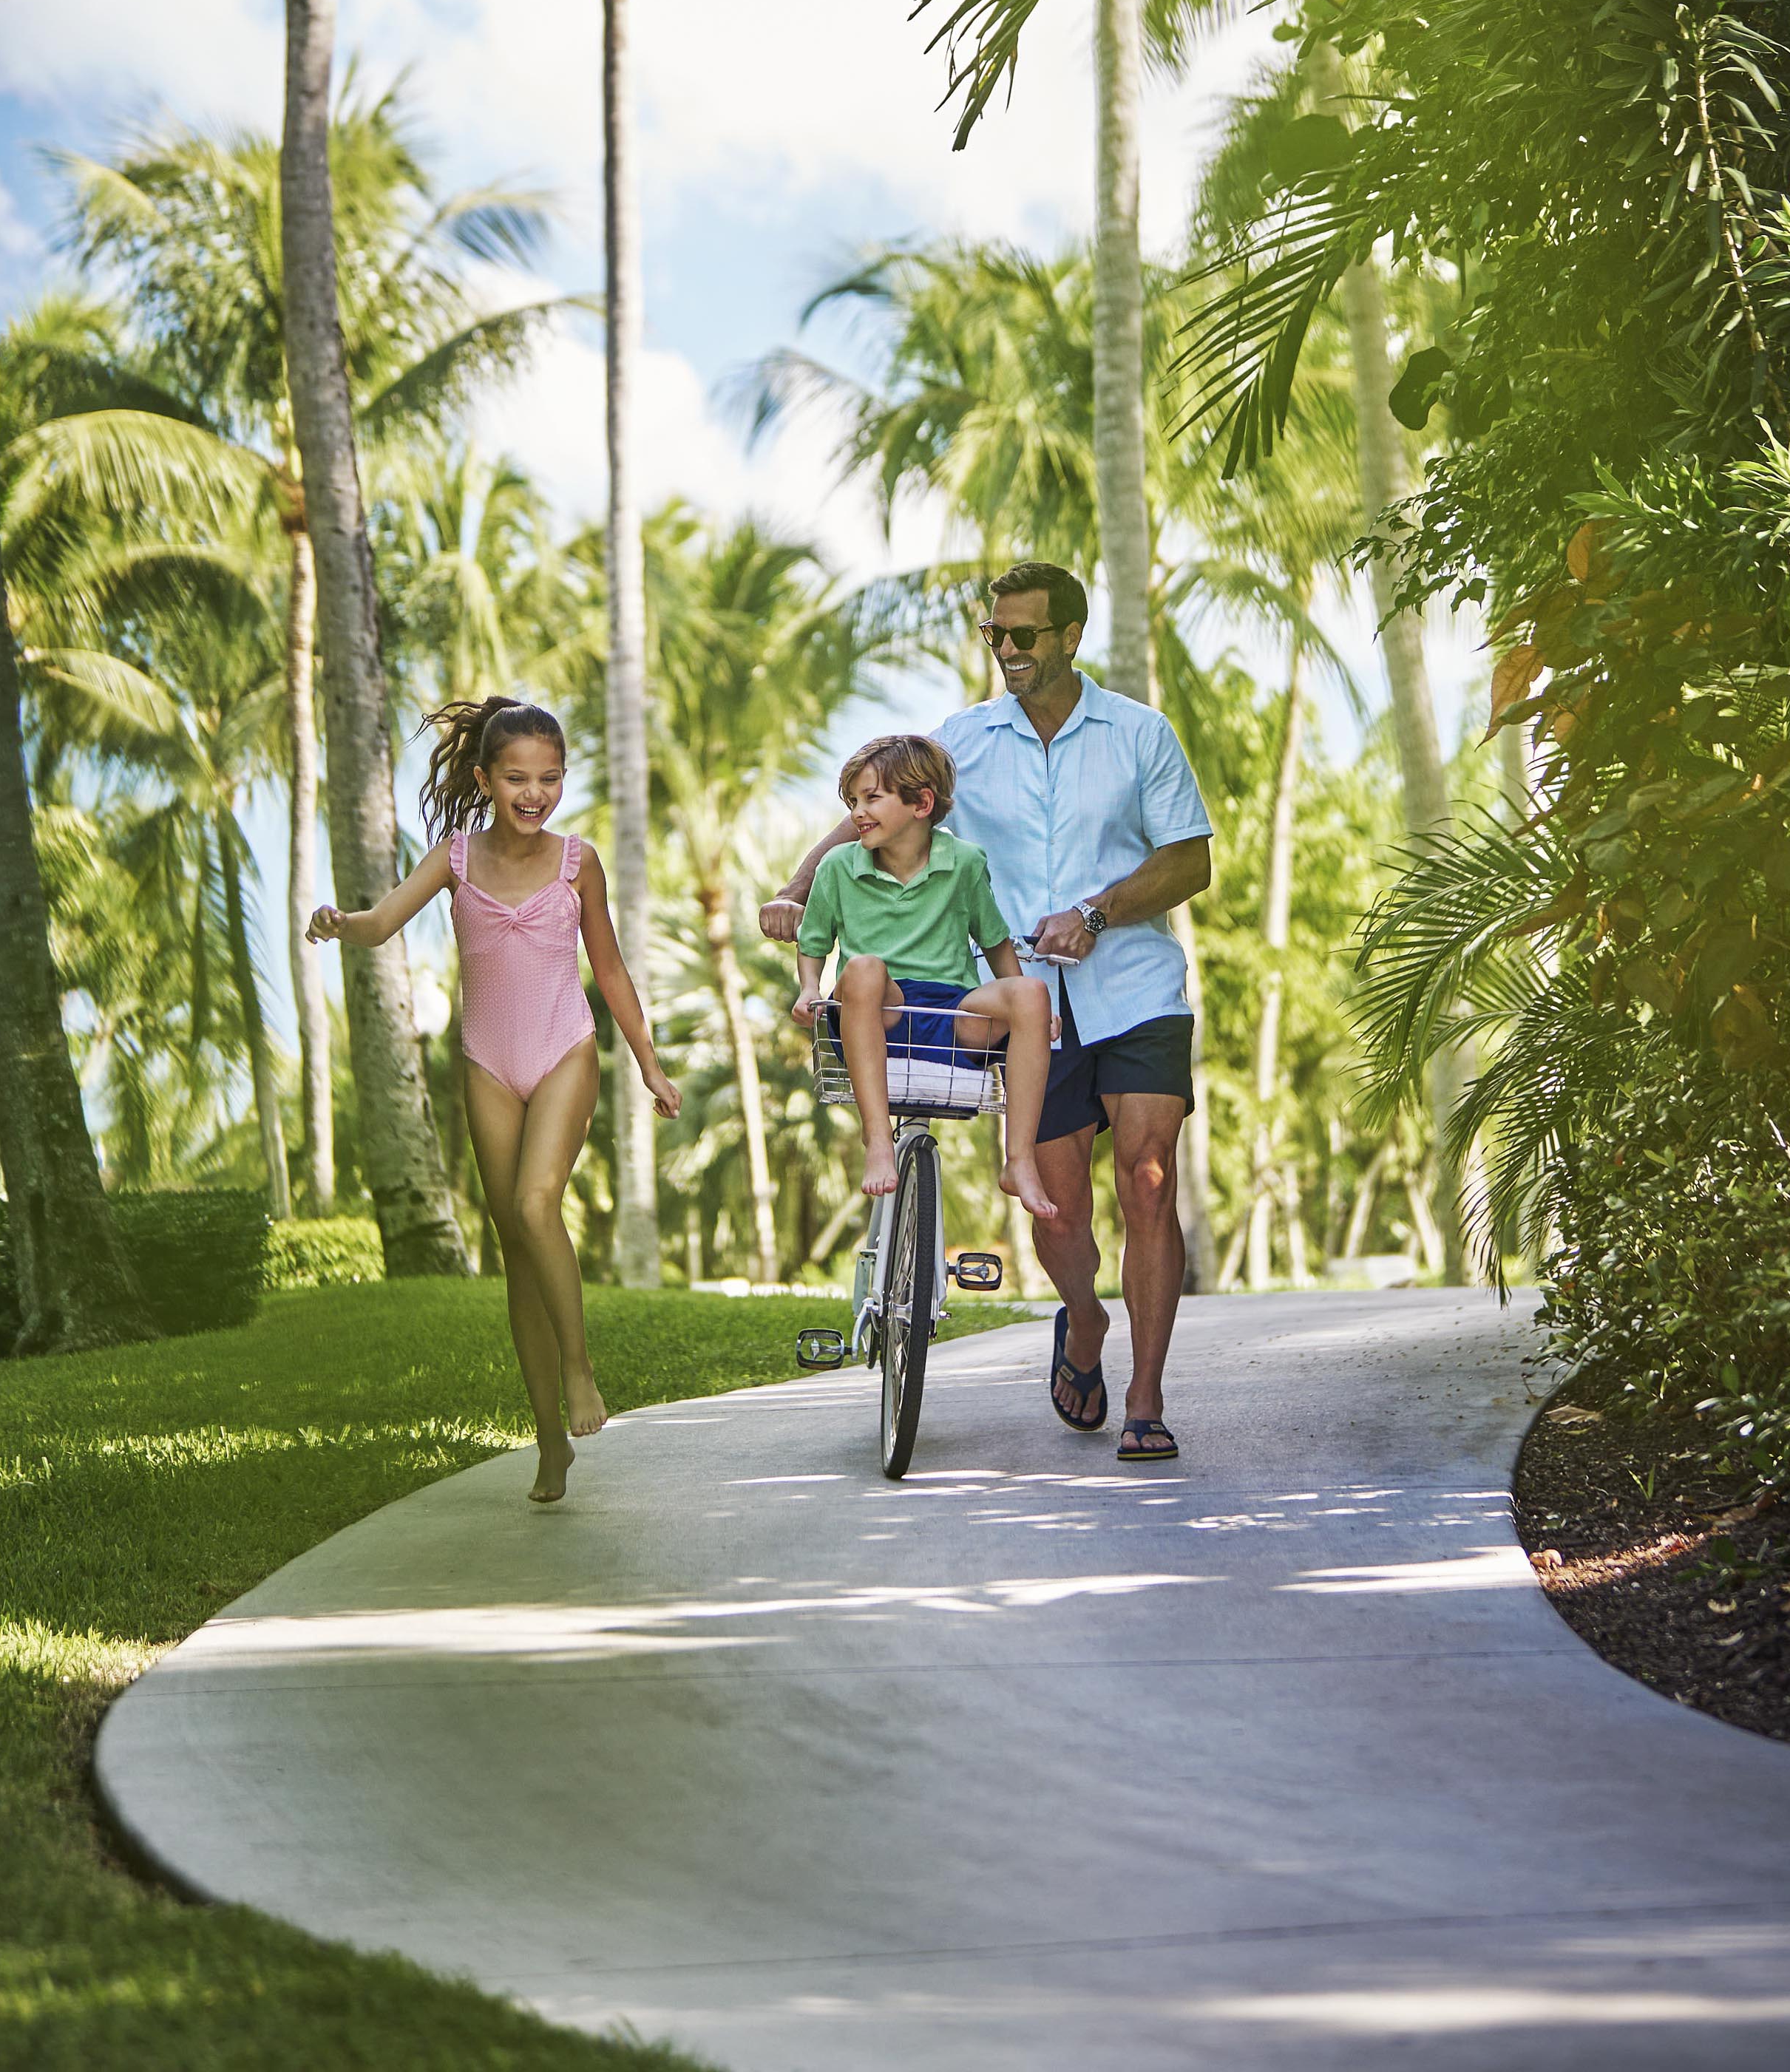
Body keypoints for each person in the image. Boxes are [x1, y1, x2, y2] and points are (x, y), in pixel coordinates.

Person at [765, 564, 1211, 1463]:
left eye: (1023, 636)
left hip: (1133, 988)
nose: (1005, 650)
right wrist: (797, 882)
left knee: (1148, 1175)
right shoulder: (962, 739)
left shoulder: (1138, 733)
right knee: (1059, 1214)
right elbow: (875, 812)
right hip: (1020, 1011)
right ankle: (1082, 1321)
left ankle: (1145, 1397)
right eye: (993, 635)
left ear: (1070, 636)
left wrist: (1095, 912)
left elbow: (1189, 859)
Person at [308, 693, 679, 1507]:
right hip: (485, 1063)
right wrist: (340, 922)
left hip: (562, 1051)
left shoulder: (578, 863)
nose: (534, 793)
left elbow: (610, 971)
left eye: (549, 778)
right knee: (515, 1241)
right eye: (516, 777)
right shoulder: (455, 858)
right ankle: (549, 1442)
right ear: (484, 777)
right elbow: (381, 924)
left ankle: (580, 1374)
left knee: (536, 1199)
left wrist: (647, 1064)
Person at [790, 733, 1059, 1224]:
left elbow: (997, 944)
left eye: (872, 798)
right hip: (876, 1012)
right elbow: (814, 946)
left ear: (922, 802)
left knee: (1033, 992)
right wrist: (810, 987)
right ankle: (877, 1140)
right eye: (853, 801)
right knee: (866, 968)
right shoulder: (837, 867)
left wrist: (1034, 1012)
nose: (857, 812)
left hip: (953, 1015)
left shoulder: (965, 863)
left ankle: (1019, 1161)